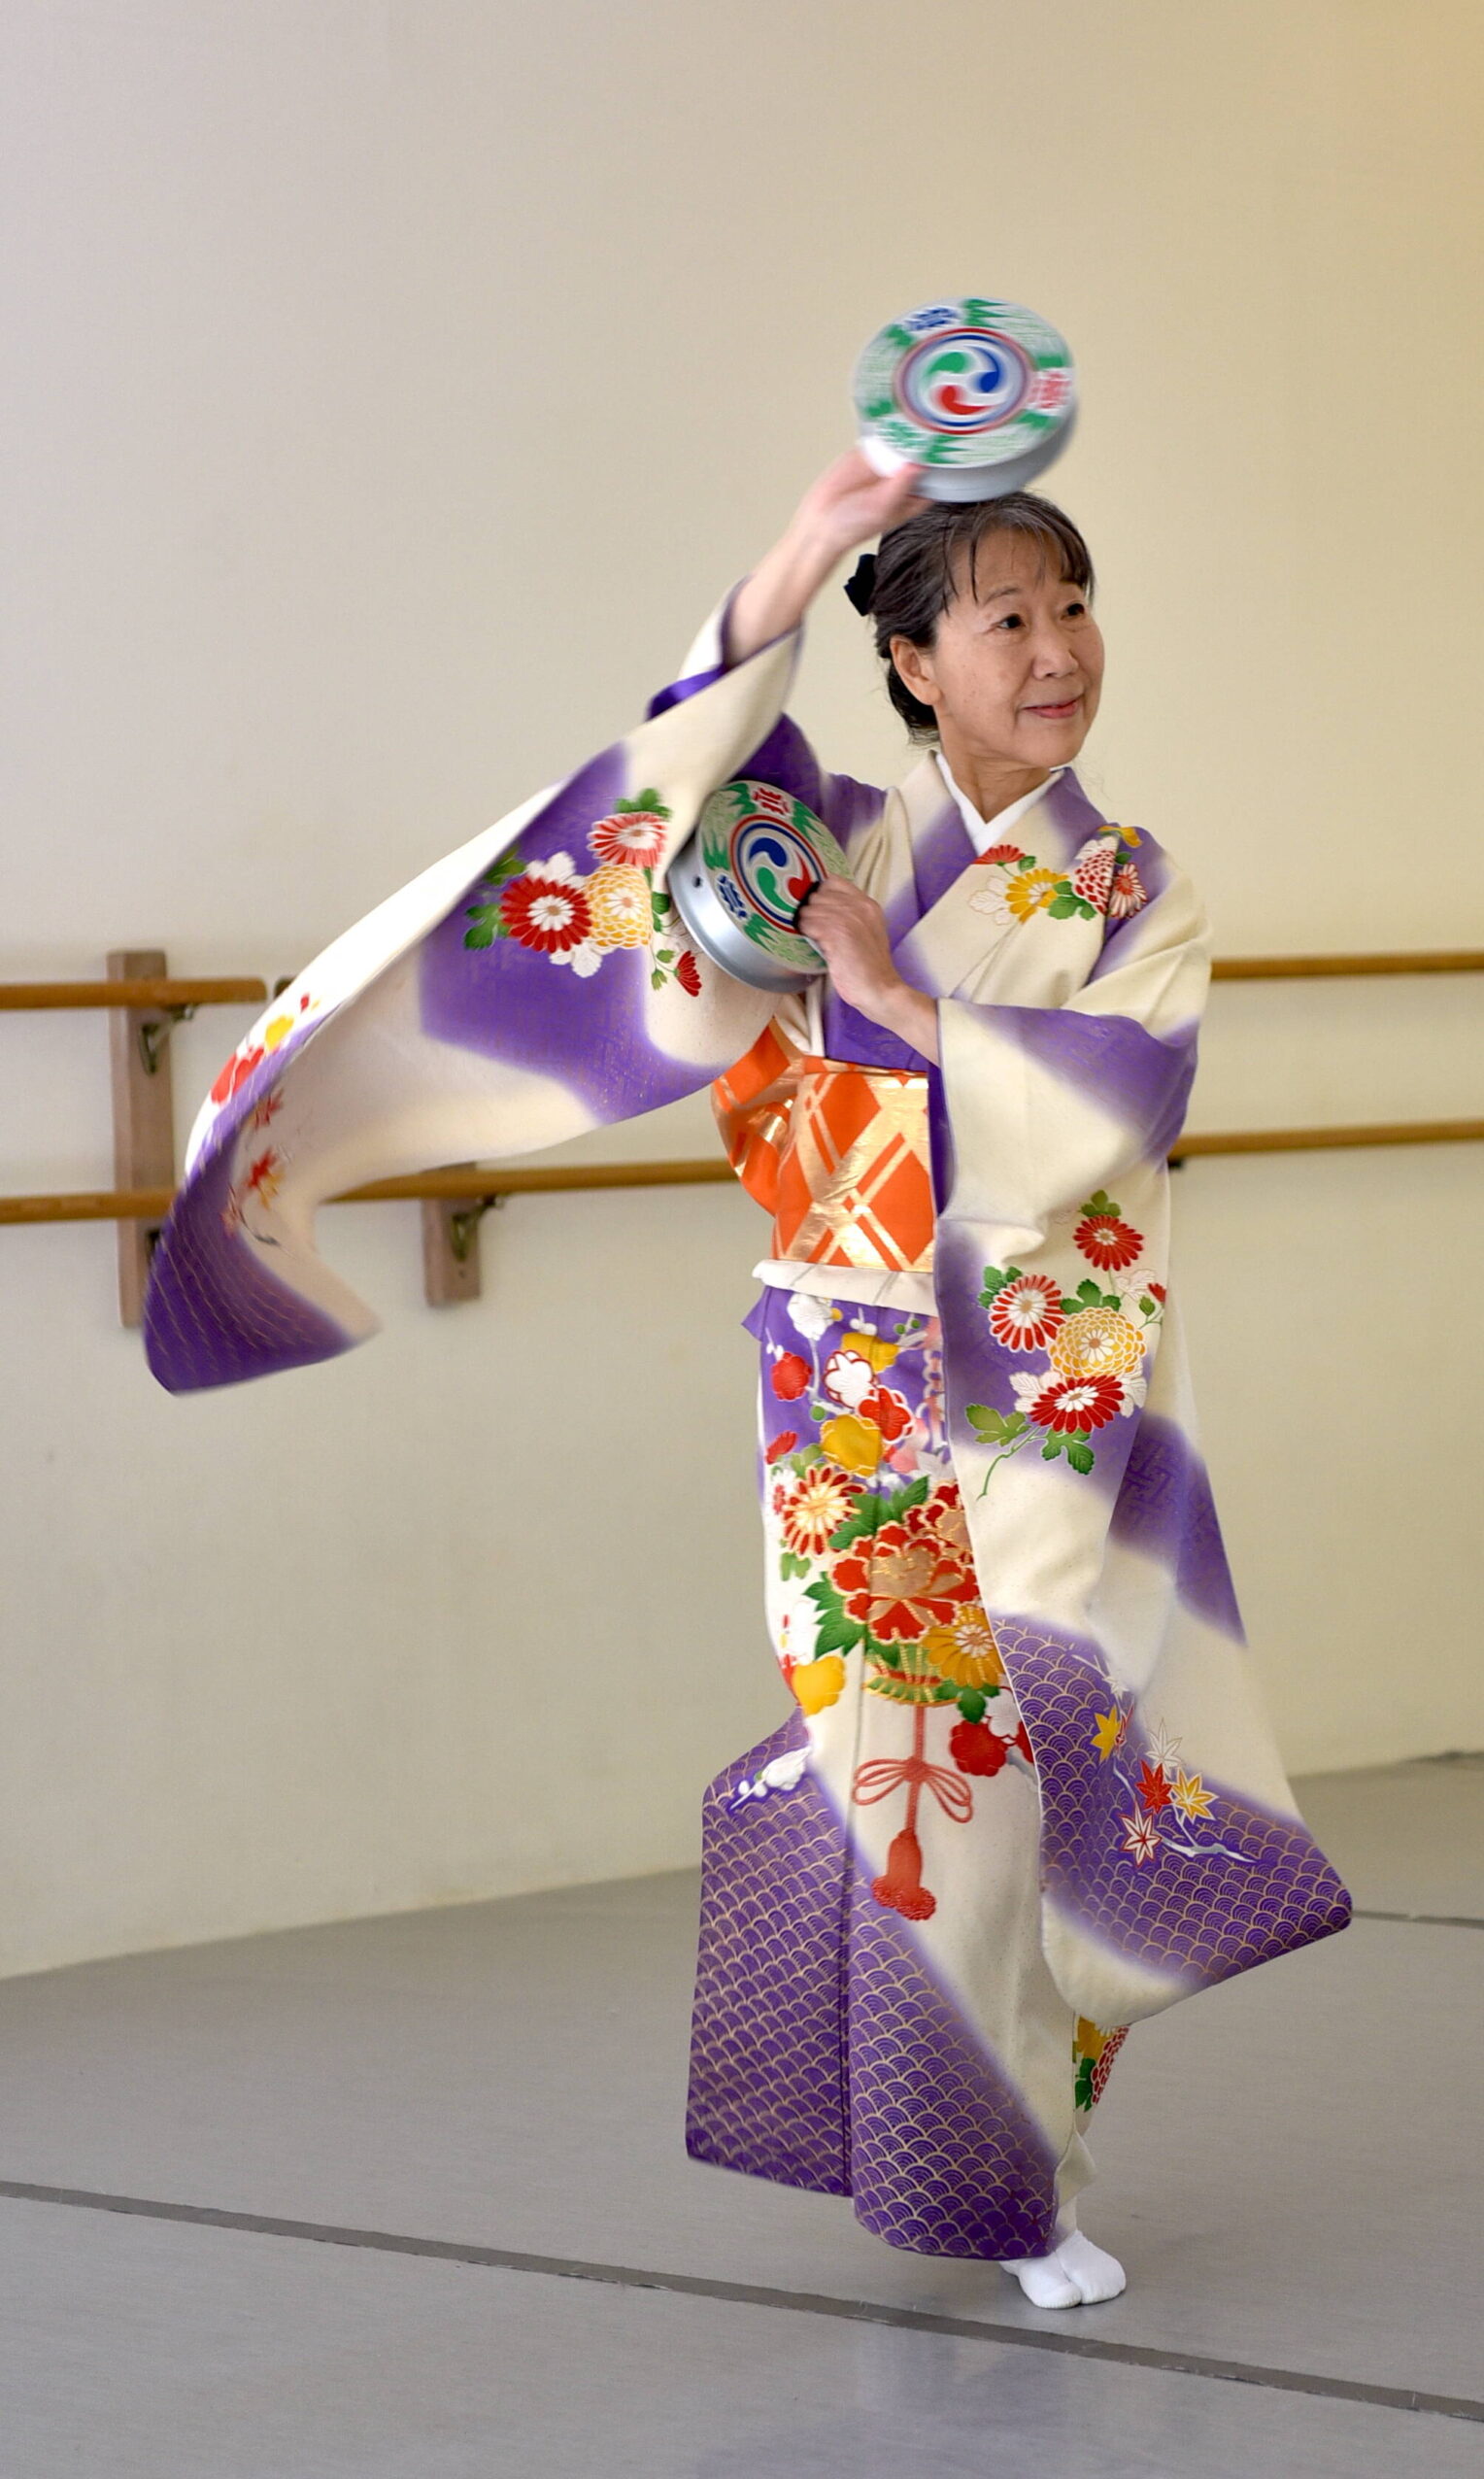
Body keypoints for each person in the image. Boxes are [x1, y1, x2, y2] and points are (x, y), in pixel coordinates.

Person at [145, 439, 1351, 2318]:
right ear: (913, 664)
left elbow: (1118, 1111)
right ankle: (990, 2176)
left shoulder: (1136, 888)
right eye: (1006, 619)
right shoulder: (824, 841)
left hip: (1042, 1375)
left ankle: (1024, 2162)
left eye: (1075, 606)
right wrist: (809, 538)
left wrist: (901, 1003)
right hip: (843, 1365)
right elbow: (665, 780)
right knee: (899, 1769)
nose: (1058, 647)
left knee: (1024, 1742)